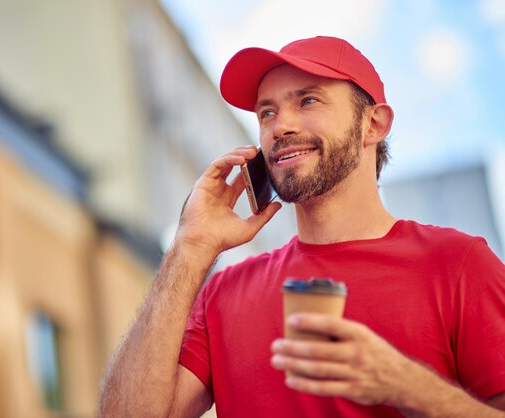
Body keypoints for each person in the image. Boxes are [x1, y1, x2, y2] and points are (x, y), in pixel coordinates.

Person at [98, 36, 505, 417]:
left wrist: (409, 386)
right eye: (267, 112)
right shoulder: (223, 294)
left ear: (374, 124)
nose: (280, 127)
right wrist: (189, 248)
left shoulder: (458, 264)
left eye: (308, 101)